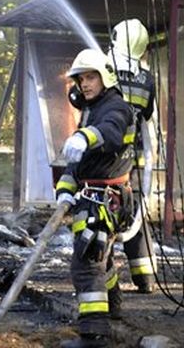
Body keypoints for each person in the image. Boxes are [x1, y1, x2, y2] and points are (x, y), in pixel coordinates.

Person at [68, 19, 157, 293]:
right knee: (134, 220)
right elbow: (148, 115)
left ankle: (99, 317)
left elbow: (78, 100)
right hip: (132, 160)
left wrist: (85, 135)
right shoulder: (147, 81)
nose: (85, 83)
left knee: (98, 240)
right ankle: (145, 278)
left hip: (104, 158)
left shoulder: (107, 73)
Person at [56, 49, 135, 348]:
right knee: (101, 258)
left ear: (105, 77)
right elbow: (80, 163)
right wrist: (65, 187)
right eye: (81, 79)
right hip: (96, 197)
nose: (85, 84)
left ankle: (94, 336)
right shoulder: (92, 108)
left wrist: (85, 136)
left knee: (86, 265)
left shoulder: (115, 107)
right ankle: (113, 304)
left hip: (103, 199)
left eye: (91, 77)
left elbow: (111, 133)